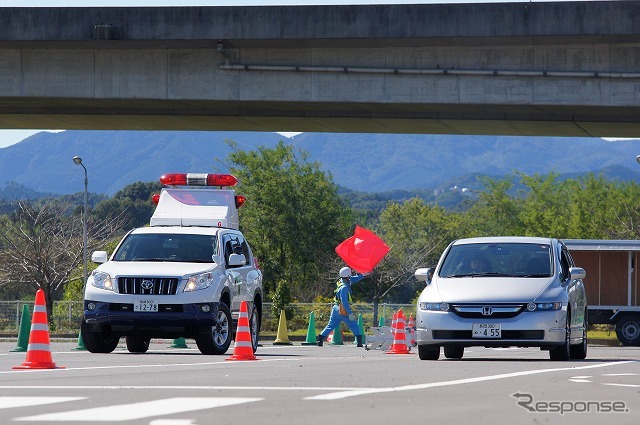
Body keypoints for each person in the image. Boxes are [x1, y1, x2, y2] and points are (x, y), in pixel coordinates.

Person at [317, 266, 366, 347]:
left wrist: (363, 275)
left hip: (335, 308)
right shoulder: (344, 288)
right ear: (347, 276)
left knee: (331, 325)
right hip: (342, 309)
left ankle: (320, 339)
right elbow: (344, 302)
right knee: (354, 325)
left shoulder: (341, 281)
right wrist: (349, 313)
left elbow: (353, 279)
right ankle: (359, 342)